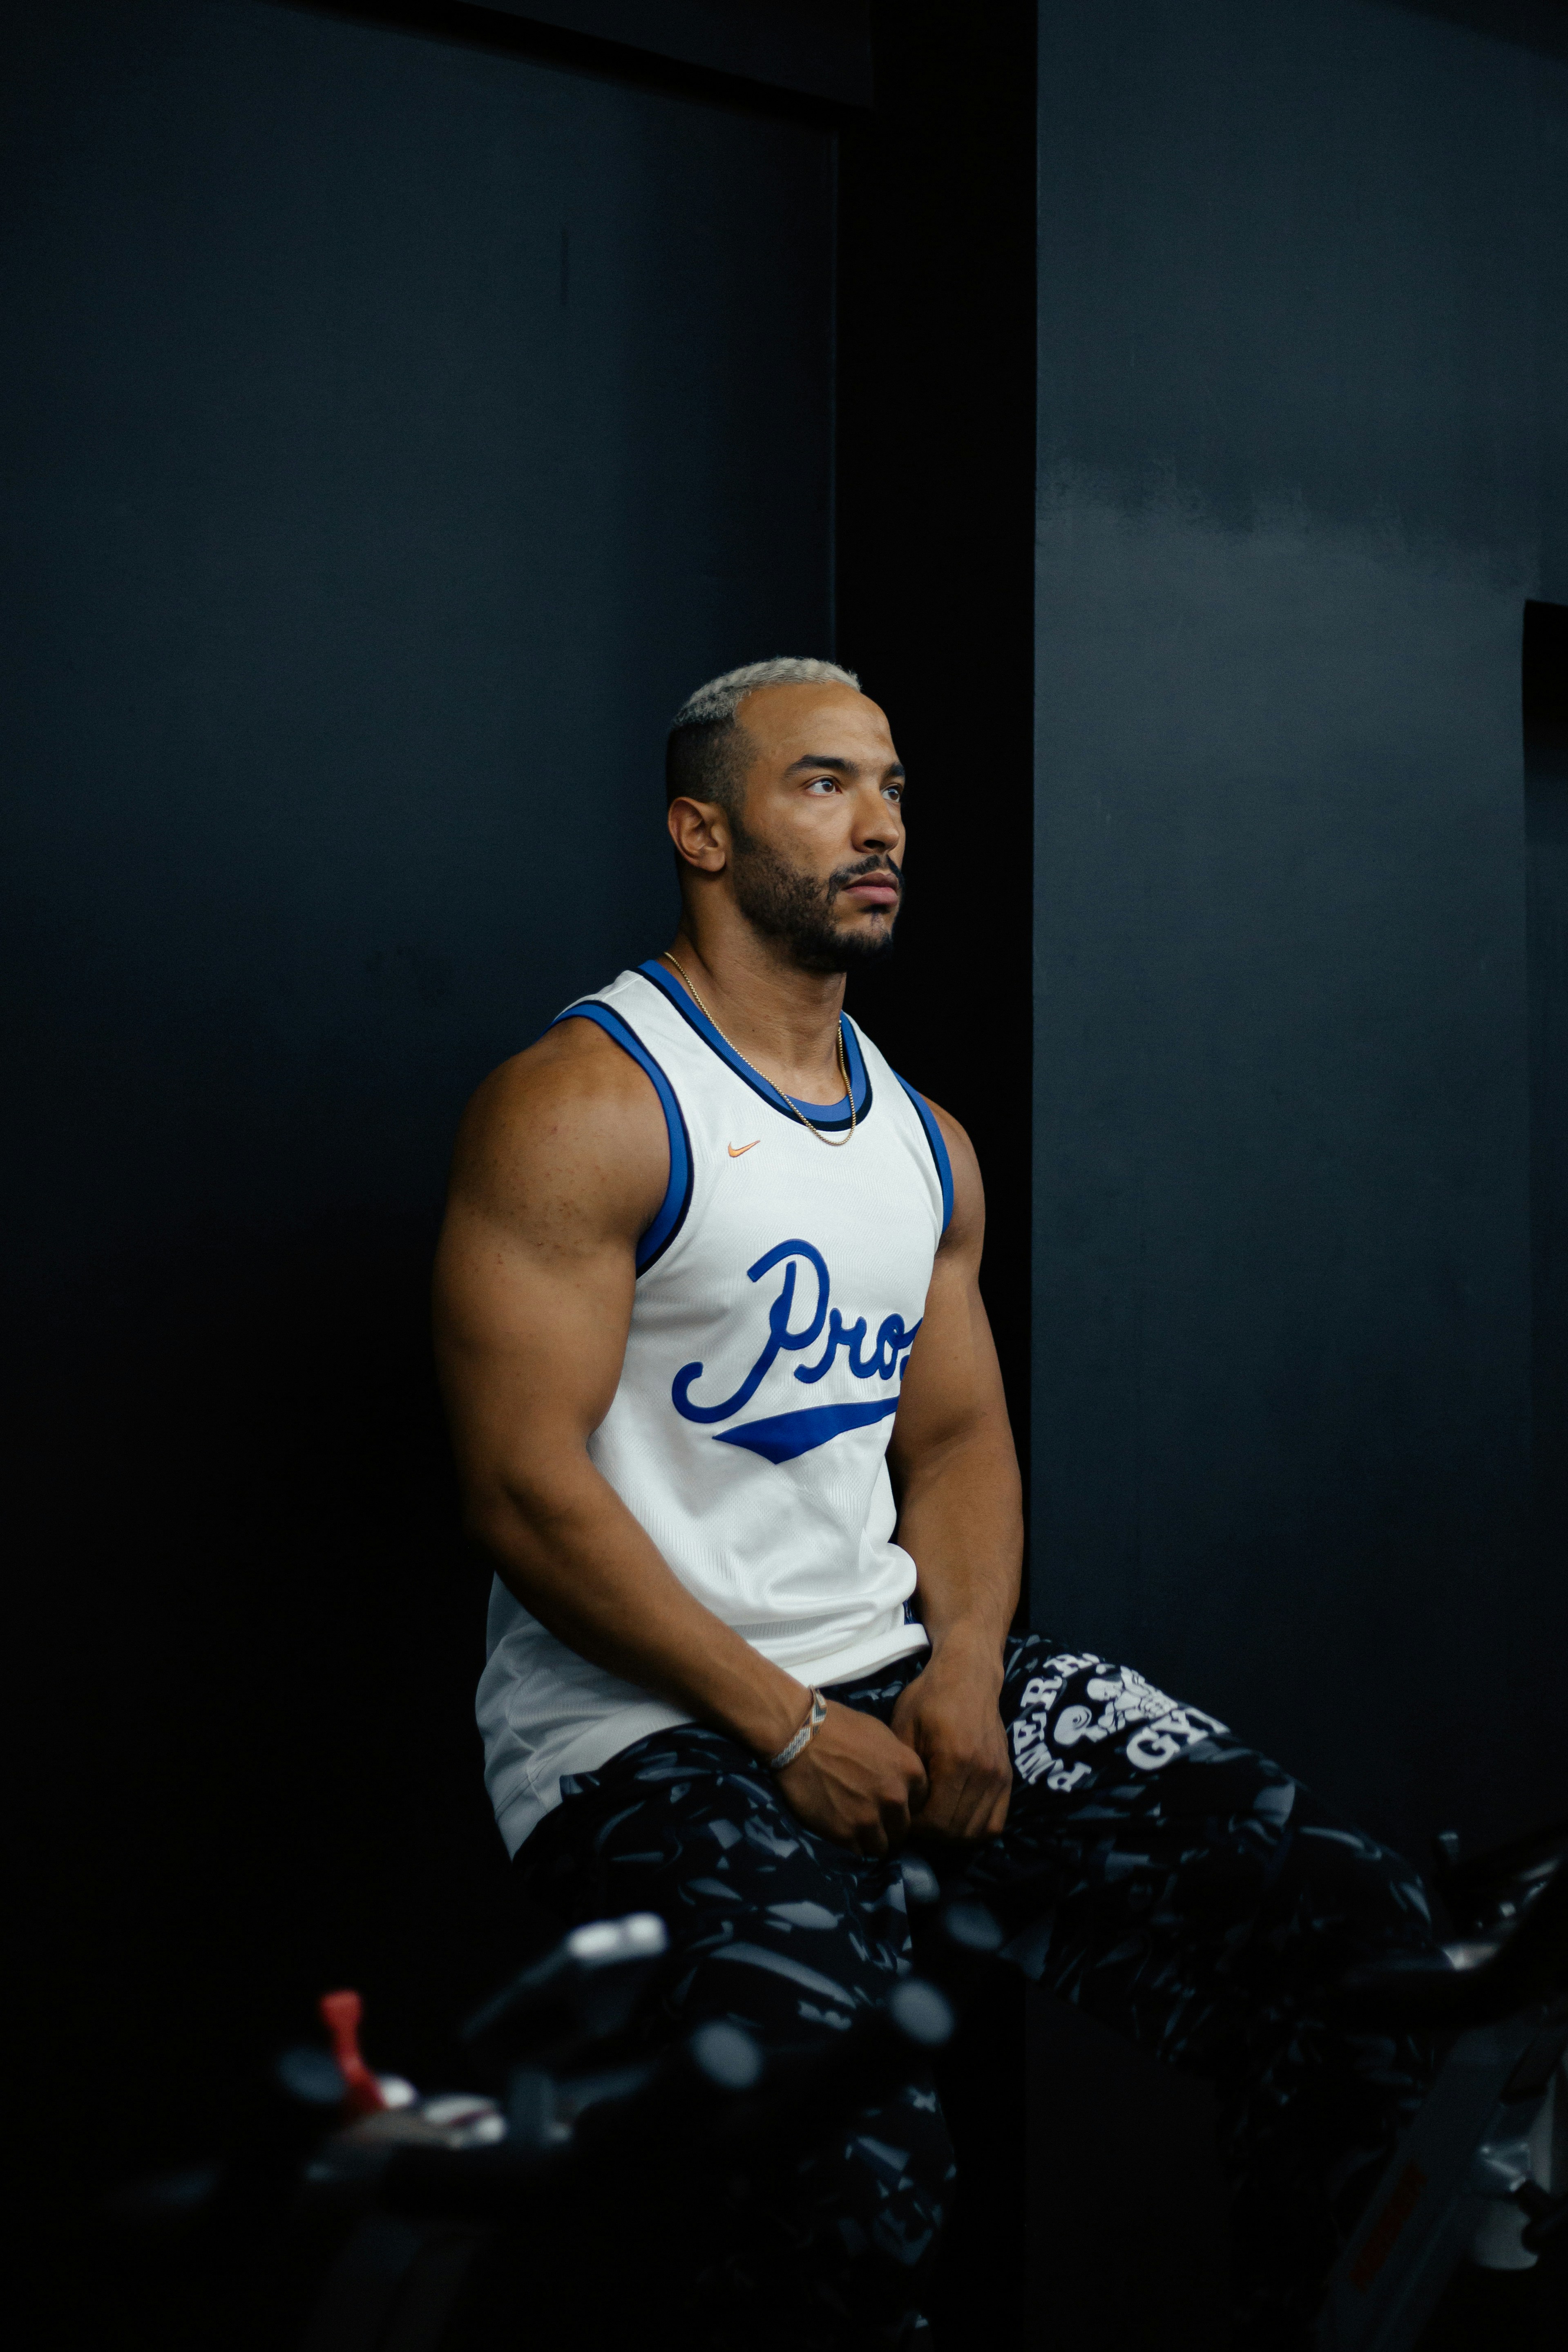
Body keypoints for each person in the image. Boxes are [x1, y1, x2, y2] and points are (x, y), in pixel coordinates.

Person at [433, 657, 1437, 2349]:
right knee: (848, 2140)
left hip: (894, 1677)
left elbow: (958, 1445)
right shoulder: (587, 1103)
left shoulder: (922, 1142)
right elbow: (522, 1490)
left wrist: (966, 1662)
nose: (880, 821)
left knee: (1360, 1938)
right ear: (700, 826)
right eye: (824, 783)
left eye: (892, 787)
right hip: (641, 1732)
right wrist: (784, 1725)